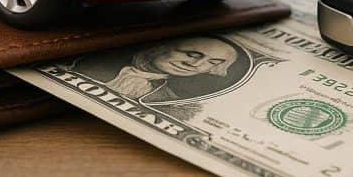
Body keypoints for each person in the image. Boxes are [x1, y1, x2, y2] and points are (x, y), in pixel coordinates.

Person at [75, 36, 239, 103]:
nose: (195, 65)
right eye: (191, 54)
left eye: (212, 62)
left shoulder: (165, 99)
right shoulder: (89, 62)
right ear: (161, 46)